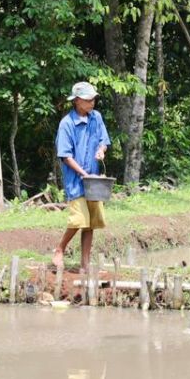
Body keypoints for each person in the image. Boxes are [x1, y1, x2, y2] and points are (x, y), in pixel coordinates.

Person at [53, 81, 111, 271]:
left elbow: (103, 140)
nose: (92, 102)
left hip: (93, 180)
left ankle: (85, 263)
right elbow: (65, 156)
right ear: (77, 101)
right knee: (79, 220)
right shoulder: (67, 124)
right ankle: (60, 249)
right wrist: (83, 173)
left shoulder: (97, 118)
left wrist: (101, 150)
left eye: (93, 99)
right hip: (76, 181)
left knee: (91, 222)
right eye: (88, 99)